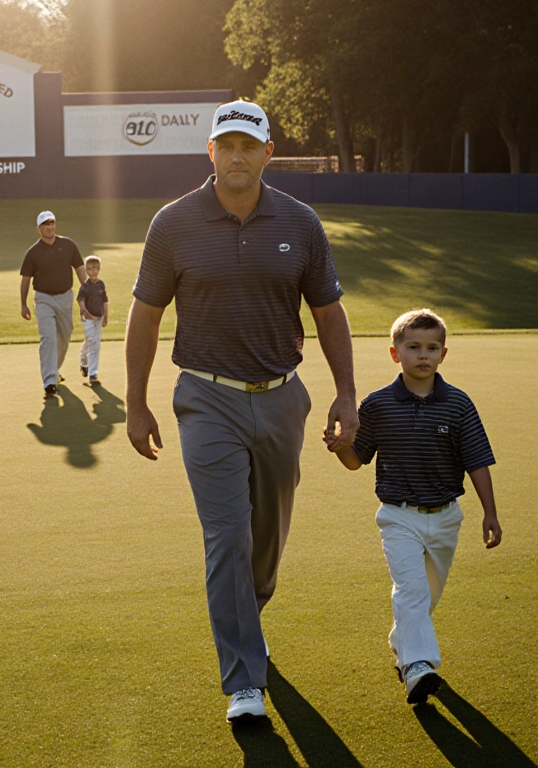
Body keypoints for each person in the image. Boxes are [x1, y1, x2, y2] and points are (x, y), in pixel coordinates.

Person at [124, 99, 359, 723]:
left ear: (266, 154)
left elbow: (328, 312)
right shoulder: (173, 224)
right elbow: (145, 315)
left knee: (266, 537)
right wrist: (136, 401)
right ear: (210, 152)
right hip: (206, 398)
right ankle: (243, 681)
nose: (236, 155)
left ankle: (248, 608)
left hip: (282, 396)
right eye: (225, 145)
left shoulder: (301, 222)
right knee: (226, 535)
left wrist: (346, 392)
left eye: (248, 145)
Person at [333, 308, 501, 705]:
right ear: (395, 354)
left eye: (432, 347)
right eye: (413, 347)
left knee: (426, 595)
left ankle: (401, 641)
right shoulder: (377, 405)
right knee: (410, 591)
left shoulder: (458, 404)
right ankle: (418, 666)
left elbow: (476, 460)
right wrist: (340, 446)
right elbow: (358, 458)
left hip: (445, 517)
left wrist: (490, 513)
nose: (423, 355)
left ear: (444, 354)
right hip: (398, 515)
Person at [21, 211, 88, 397]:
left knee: (64, 338)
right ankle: (49, 381)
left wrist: (89, 291)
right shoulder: (33, 253)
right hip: (43, 299)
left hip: (65, 297)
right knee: (48, 338)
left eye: (51, 223)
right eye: (45, 224)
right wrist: (23, 304)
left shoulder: (68, 245)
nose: (49, 227)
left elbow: (80, 270)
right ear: (39, 228)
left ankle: (54, 369)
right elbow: (26, 280)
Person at [77, 255, 109, 384]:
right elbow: (80, 300)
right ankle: (93, 373)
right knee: (93, 341)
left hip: (98, 317)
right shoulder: (85, 286)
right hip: (88, 319)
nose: (93, 271)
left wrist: (105, 316)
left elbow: (104, 300)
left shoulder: (101, 284)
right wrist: (87, 314)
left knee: (92, 341)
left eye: (96, 268)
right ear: (86, 271)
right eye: (90, 269)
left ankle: (84, 361)